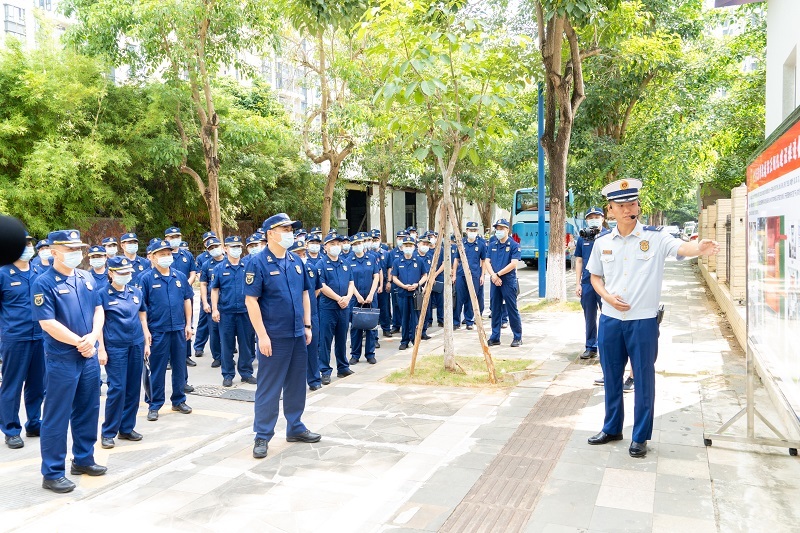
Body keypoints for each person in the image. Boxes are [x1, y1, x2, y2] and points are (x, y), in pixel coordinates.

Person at [586, 178, 719, 458]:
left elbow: (681, 248)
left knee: (643, 378)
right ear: (609, 209)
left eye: (631, 203)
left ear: (638, 206)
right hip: (610, 320)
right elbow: (595, 277)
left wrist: (699, 248)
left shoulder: (655, 237)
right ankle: (611, 428)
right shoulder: (602, 242)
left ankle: (640, 436)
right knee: (611, 376)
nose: (627, 209)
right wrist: (607, 297)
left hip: (643, 321)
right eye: (620, 205)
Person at [33, 229, 106, 494]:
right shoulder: (43, 282)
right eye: (70, 250)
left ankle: (83, 459)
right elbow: (47, 322)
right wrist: (80, 342)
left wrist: (94, 337)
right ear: (54, 252)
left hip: (88, 357)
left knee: (88, 409)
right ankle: (52, 472)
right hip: (62, 358)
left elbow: (99, 309)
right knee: (56, 415)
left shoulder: (85, 277)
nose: (77, 254)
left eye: (79, 249)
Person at [244, 213, 321, 459]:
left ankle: (295, 427)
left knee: (297, 384)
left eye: (291, 228)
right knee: (269, 387)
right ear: (270, 234)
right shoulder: (257, 263)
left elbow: (305, 295)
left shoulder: (296, 261)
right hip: (274, 337)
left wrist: (307, 326)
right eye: (284, 228)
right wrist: (262, 336)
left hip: (298, 333)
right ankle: (262, 435)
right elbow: (251, 301)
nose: (290, 232)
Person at [96, 256, 149, 449]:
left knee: (133, 388)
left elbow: (142, 315)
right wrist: (100, 348)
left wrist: (146, 340)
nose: (126, 276)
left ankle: (126, 428)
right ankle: (108, 432)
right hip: (114, 347)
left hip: (135, 344)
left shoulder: (135, 292)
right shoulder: (102, 294)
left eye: (128, 273)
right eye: (122, 273)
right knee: (117, 388)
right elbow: (99, 324)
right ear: (111, 273)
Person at [139, 239, 194, 422]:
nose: (166, 257)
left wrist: (188, 324)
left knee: (179, 366)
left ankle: (178, 400)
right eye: (162, 254)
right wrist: (145, 331)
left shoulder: (179, 276)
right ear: (152, 257)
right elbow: (142, 308)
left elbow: (187, 300)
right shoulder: (146, 279)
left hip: (178, 328)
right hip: (157, 330)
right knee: (156, 369)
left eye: (169, 254)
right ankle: (154, 404)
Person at [0, 233, 45, 450]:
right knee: (12, 385)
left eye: (29, 243)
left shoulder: (39, 272)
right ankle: (11, 429)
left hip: (40, 337)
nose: (28, 247)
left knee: (37, 384)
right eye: (23, 244)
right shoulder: (3, 273)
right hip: (15, 338)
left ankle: (34, 423)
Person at [211, 236, 256, 387]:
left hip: (245, 312)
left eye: (238, 246)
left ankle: (246, 373)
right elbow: (215, 290)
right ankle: (228, 374)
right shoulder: (219, 268)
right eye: (233, 246)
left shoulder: (248, 265)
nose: (236, 249)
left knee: (246, 344)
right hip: (226, 312)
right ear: (225, 249)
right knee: (227, 345)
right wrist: (215, 309)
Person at [318, 233, 355, 382]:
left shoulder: (345, 263)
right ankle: (325, 370)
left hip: (344, 307)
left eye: (338, 244)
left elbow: (351, 283)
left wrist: (347, 297)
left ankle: (343, 367)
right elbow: (321, 286)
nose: (336, 247)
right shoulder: (321, 264)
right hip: (328, 307)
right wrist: (338, 298)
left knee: (341, 338)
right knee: (326, 340)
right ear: (325, 247)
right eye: (332, 244)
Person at [289, 241, 323, 391]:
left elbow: (316, 290)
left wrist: (308, 306)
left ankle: (314, 379)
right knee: (293, 351)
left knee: (312, 348)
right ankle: (294, 382)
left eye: (303, 254)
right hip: (293, 315)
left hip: (312, 314)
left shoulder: (311, 268)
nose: (302, 257)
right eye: (298, 254)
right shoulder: (286, 270)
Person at [484, 219, 522, 347]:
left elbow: (514, 263)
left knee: (512, 309)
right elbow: (487, 261)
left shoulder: (514, 245)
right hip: (495, 281)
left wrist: (498, 274)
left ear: (507, 230)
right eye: (497, 229)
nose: (499, 231)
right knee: (495, 309)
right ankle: (495, 337)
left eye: (501, 228)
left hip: (508, 281)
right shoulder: (492, 244)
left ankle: (517, 336)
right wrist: (493, 276)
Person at [574, 207, 606, 360]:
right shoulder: (583, 237)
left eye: (597, 216)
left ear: (603, 219)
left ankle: (607, 347)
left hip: (606, 283)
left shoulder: (610, 235)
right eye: (591, 217)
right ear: (586, 220)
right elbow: (579, 260)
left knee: (608, 316)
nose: (594, 219)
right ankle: (591, 346)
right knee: (590, 316)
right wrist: (577, 283)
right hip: (587, 282)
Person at [392, 235, 429, 350]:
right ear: (402, 247)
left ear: (414, 247)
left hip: (415, 294)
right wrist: (403, 286)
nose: (408, 248)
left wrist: (417, 284)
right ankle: (404, 341)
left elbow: (425, 275)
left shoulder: (419, 260)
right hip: (403, 293)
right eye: (406, 246)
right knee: (404, 318)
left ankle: (414, 339)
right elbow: (394, 277)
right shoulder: (397, 261)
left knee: (414, 318)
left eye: (410, 246)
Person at [348, 232, 379, 364]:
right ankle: (355, 355)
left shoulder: (371, 258)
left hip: (371, 297)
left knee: (371, 326)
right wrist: (358, 295)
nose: (357, 246)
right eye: (354, 244)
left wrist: (372, 293)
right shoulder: (348, 260)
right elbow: (349, 281)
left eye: (359, 243)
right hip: (356, 298)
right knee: (356, 327)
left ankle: (370, 354)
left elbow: (376, 276)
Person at [453, 222, 486, 330]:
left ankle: (469, 321)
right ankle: (456, 321)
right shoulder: (461, 243)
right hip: (461, 274)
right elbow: (456, 259)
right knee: (459, 299)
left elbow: (484, 260)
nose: (472, 232)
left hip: (475, 275)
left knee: (472, 298)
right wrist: (454, 275)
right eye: (470, 230)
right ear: (466, 231)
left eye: (474, 230)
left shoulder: (481, 244)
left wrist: (482, 275)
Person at [199, 238, 226, 368]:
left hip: (228, 301)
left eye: (215, 246)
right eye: (210, 248)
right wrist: (205, 302)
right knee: (214, 331)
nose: (214, 249)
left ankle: (228, 356)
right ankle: (217, 357)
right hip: (212, 302)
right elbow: (203, 284)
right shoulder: (206, 264)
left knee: (228, 331)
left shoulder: (229, 260)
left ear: (221, 246)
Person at [192, 231, 218, 358]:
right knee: (204, 322)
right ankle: (199, 346)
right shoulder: (202, 258)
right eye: (208, 240)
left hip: (223, 298)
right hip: (207, 295)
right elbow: (199, 276)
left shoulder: (224, 256)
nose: (211, 242)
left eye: (213, 239)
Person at [388, 230, 406, 334]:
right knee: (395, 304)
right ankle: (396, 325)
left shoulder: (410, 250)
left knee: (406, 306)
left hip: (407, 281)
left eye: (403, 238)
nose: (401, 240)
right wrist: (389, 281)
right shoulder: (393, 252)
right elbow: (390, 268)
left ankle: (405, 325)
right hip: (395, 282)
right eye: (399, 238)